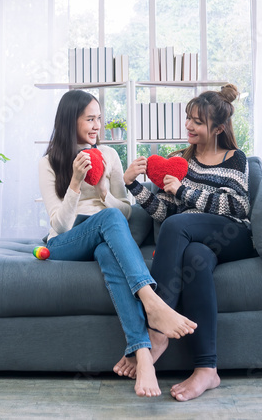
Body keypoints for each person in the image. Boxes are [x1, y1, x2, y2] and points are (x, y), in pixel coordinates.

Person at [38, 90, 197, 398]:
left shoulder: (109, 156)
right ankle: (152, 304)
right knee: (109, 220)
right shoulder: (49, 162)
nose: (97, 126)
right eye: (90, 119)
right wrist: (74, 183)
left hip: (105, 234)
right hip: (64, 243)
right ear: (71, 120)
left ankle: (142, 356)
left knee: (109, 248)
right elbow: (59, 224)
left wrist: (102, 194)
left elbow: (125, 208)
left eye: (99, 118)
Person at [120, 83, 254, 401]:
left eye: (197, 121)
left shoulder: (235, 158)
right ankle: (207, 370)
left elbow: (239, 206)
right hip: (195, 237)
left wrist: (184, 191)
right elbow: (167, 213)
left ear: (219, 127)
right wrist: (134, 186)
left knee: (182, 226)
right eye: (188, 118)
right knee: (194, 256)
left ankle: (157, 328)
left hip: (233, 234)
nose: (189, 126)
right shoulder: (182, 160)